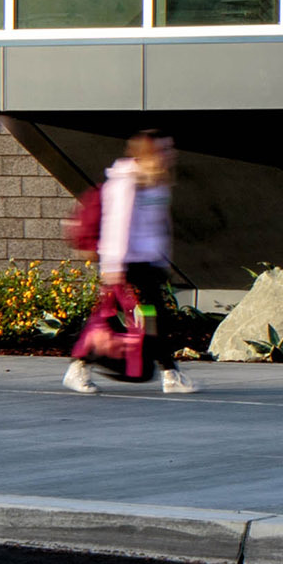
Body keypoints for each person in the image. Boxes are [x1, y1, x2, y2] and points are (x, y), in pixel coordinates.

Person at [68, 129, 198, 396]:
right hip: (126, 268)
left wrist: (162, 261)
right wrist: (113, 269)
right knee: (122, 321)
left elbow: (160, 227)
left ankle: (169, 373)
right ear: (146, 154)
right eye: (163, 150)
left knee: (150, 320)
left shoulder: (158, 184)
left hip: (147, 267)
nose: (169, 155)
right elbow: (118, 226)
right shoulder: (125, 184)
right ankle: (80, 367)